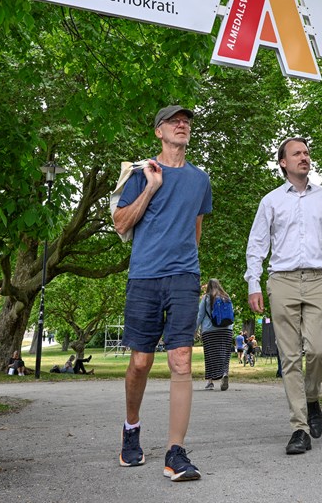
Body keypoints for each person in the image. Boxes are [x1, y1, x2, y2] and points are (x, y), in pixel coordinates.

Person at [113, 104, 212, 481]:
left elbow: (196, 230)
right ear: (159, 132)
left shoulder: (201, 180)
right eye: (174, 121)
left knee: (182, 359)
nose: (182, 125)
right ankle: (131, 427)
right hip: (144, 276)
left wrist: (188, 267)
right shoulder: (142, 174)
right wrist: (152, 188)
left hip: (184, 277)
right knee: (141, 361)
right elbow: (121, 223)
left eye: (186, 121)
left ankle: (176, 452)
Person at [245, 136, 322, 455]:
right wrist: (254, 283)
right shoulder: (271, 201)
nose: (304, 157)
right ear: (283, 162)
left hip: (319, 279)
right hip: (282, 281)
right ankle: (299, 428)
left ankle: (312, 397)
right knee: (289, 358)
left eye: (306, 153)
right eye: (297, 154)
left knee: (318, 350)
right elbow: (256, 246)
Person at [197, 279, 234, 391]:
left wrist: (194, 329)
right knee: (224, 354)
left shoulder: (207, 298)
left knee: (210, 356)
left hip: (210, 330)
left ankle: (210, 382)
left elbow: (200, 315)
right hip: (226, 330)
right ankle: (224, 373)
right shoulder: (226, 297)